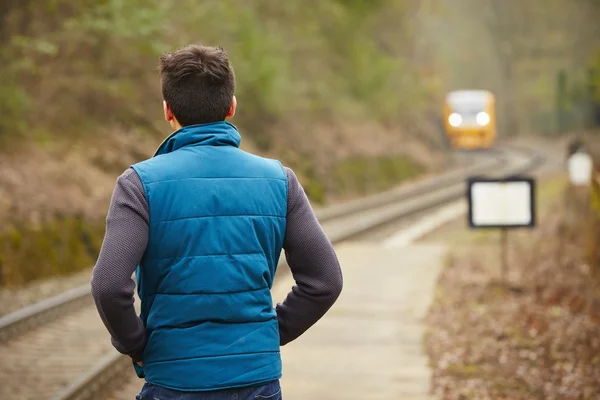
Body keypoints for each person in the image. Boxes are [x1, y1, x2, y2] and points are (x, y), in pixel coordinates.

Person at [90, 44, 343, 400]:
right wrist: (265, 335)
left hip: (173, 380)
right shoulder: (279, 180)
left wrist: (137, 346)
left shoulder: (139, 185)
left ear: (167, 110)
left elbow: (108, 285)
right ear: (232, 106)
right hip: (257, 381)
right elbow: (326, 281)